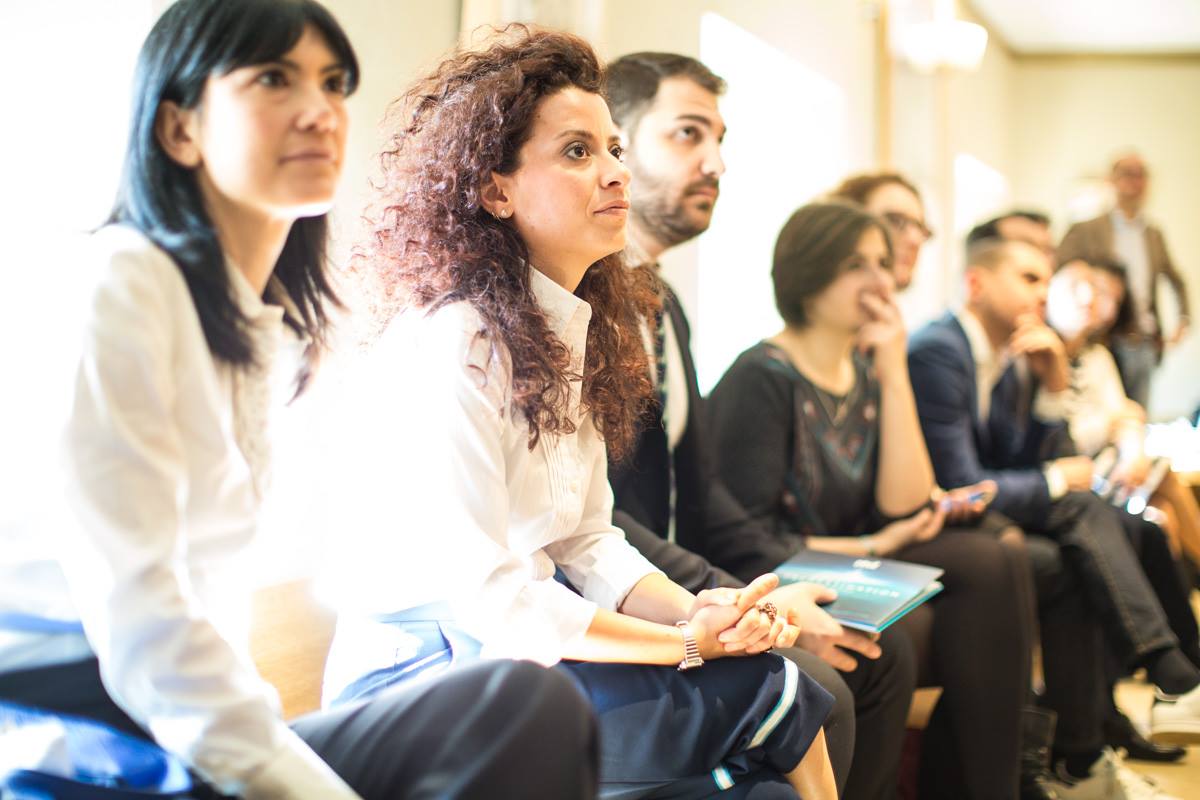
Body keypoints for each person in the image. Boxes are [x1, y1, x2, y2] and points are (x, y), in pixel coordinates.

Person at [0, 3, 600, 799]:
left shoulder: (260, 326)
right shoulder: (124, 282)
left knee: (524, 706)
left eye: (333, 82)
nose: (320, 110)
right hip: (82, 744)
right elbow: (148, 634)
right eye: (274, 79)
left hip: (185, 729)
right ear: (179, 129)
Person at [321, 28, 836, 800]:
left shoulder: (561, 332)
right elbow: (493, 598)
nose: (615, 173)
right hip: (427, 682)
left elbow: (586, 540)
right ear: (495, 190)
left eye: (614, 149)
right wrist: (686, 645)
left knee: (763, 761)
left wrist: (702, 613)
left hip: (520, 654)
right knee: (775, 690)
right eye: (577, 152)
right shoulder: (455, 341)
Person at [604, 53, 917, 800]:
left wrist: (787, 584)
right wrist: (739, 598)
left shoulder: (663, 306)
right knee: (821, 686)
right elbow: (590, 523)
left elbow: (704, 495)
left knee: (880, 644)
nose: (715, 162)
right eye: (687, 134)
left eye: (719, 139)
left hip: (680, 582)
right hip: (616, 604)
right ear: (616, 143)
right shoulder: (578, 308)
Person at [706, 201, 1032, 800]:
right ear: (810, 274)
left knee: (995, 558)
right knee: (927, 618)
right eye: (857, 265)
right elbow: (746, 537)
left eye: (883, 263)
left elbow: (905, 502)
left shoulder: (863, 371)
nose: (881, 281)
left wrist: (893, 368)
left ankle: (990, 786)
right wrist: (873, 544)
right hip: (774, 570)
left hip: (846, 558)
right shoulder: (762, 375)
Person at [908, 230, 1200, 798]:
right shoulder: (940, 349)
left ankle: (1092, 746)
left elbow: (1038, 457)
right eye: (1029, 278)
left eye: (1046, 279)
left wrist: (1052, 386)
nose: (1043, 293)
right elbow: (966, 482)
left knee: (1104, 534)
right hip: (939, 518)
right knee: (1082, 519)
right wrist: (1054, 479)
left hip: (1003, 511)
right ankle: (1163, 679)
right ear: (976, 282)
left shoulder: (1014, 353)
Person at [1047, 259, 1200, 573]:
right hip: (1084, 470)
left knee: (1163, 510)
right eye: (1076, 289)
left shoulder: (1096, 356)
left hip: (1112, 463)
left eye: (1095, 291)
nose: (1089, 300)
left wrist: (1132, 451)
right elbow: (1072, 437)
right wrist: (1114, 425)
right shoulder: (1047, 356)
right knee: (1163, 499)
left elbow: (1127, 416)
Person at [1058, 154, 1191, 407]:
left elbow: (1175, 278)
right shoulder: (1087, 229)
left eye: (1140, 175)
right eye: (1126, 174)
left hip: (1142, 341)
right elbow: (1061, 269)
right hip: (1100, 340)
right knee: (1098, 409)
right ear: (1111, 180)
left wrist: (1183, 319)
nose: (1134, 182)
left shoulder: (1153, 235)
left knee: (1136, 412)